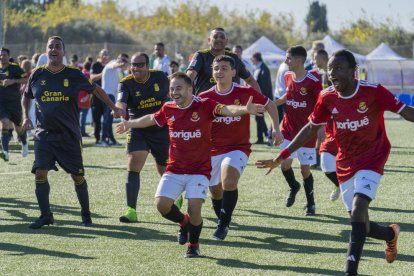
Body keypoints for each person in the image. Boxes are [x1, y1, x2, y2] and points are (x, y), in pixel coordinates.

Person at [256, 49, 414, 275]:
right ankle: (390, 234)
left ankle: (350, 271)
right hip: (345, 162)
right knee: (361, 223)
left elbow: (406, 112)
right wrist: (281, 156)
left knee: (359, 211)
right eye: (330, 69)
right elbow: (310, 128)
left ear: (353, 71)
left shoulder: (373, 91)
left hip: (373, 157)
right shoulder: (327, 96)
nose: (332, 73)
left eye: (339, 68)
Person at [116, 72, 265, 258]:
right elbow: (151, 118)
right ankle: (183, 223)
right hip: (175, 169)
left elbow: (227, 110)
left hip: (199, 170)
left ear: (189, 89)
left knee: (195, 208)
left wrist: (244, 109)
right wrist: (130, 123)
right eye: (171, 89)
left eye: (178, 88)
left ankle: (193, 245)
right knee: (162, 205)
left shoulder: (204, 105)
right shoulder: (168, 108)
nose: (174, 92)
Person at [22, 36, 124, 229]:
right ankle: (45, 215)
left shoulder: (73, 74)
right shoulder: (37, 74)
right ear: (46, 51)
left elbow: (95, 89)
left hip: (68, 135)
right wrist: (25, 116)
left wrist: (113, 106)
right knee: (40, 173)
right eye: (50, 47)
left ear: (63, 52)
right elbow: (26, 97)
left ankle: (86, 215)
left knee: (77, 176)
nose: (54, 49)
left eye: (57, 47)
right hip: (43, 135)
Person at [198, 55, 283, 240]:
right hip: (212, 150)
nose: (220, 71)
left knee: (228, 179)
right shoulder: (204, 97)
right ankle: (222, 215)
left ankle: (223, 225)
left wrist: (276, 129)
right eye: (216, 68)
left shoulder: (245, 92)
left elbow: (270, 105)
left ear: (234, 72)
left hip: (238, 148)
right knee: (215, 189)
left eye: (224, 68)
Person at [115, 52, 170, 223]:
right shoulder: (126, 83)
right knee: (134, 164)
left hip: (160, 128)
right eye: (133, 65)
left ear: (148, 66)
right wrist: (119, 109)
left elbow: (173, 94)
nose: (136, 68)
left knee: (163, 167)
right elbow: (121, 102)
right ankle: (131, 210)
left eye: (140, 65)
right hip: (136, 127)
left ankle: (173, 195)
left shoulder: (160, 77)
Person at [274, 46, 322, 216]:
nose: (286, 61)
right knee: (284, 163)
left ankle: (311, 203)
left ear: (300, 60)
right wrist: (271, 104)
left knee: (305, 169)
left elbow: (321, 104)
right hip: (288, 129)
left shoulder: (313, 80)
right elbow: (287, 96)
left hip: (306, 133)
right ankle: (294, 186)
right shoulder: (287, 76)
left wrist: (321, 128)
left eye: (289, 58)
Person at [187, 27, 261, 95]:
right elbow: (189, 77)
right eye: (215, 37)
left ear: (226, 41)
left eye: (222, 37)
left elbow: (250, 79)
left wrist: (260, 100)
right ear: (209, 40)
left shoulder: (234, 57)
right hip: (206, 104)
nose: (219, 39)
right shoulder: (201, 55)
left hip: (231, 105)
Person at [0, 47, 29, 162]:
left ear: (8, 56)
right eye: (0, 55)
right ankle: (6, 152)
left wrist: (13, 81)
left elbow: (26, 79)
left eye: (4, 55)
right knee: (4, 124)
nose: (2, 57)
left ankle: (25, 143)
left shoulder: (15, 68)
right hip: (1, 103)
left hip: (14, 103)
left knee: (19, 128)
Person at [101, 52, 129, 146]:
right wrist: (120, 64)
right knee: (107, 119)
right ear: (118, 58)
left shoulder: (118, 70)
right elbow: (115, 65)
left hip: (111, 95)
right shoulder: (112, 64)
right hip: (108, 95)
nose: (123, 62)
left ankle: (111, 140)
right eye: (122, 59)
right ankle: (103, 140)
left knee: (109, 119)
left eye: (125, 60)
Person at [251, 52, 273, 145]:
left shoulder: (264, 68)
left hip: (262, 98)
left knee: (259, 117)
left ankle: (265, 136)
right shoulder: (258, 68)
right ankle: (261, 137)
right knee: (258, 118)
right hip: (258, 98)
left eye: (252, 58)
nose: (251, 60)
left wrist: (261, 99)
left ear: (256, 58)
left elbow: (264, 86)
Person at [90, 49, 109, 145]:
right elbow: (92, 78)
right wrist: (104, 73)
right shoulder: (95, 65)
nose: (105, 56)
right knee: (97, 120)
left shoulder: (109, 66)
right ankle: (98, 139)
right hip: (96, 96)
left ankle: (107, 139)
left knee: (107, 119)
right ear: (100, 55)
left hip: (107, 96)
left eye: (107, 54)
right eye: (103, 54)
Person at [78, 61, 93, 137]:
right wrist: (88, 96)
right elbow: (90, 86)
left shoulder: (80, 73)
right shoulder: (87, 75)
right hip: (85, 98)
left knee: (78, 116)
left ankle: (78, 131)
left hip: (78, 97)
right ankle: (82, 132)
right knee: (83, 117)